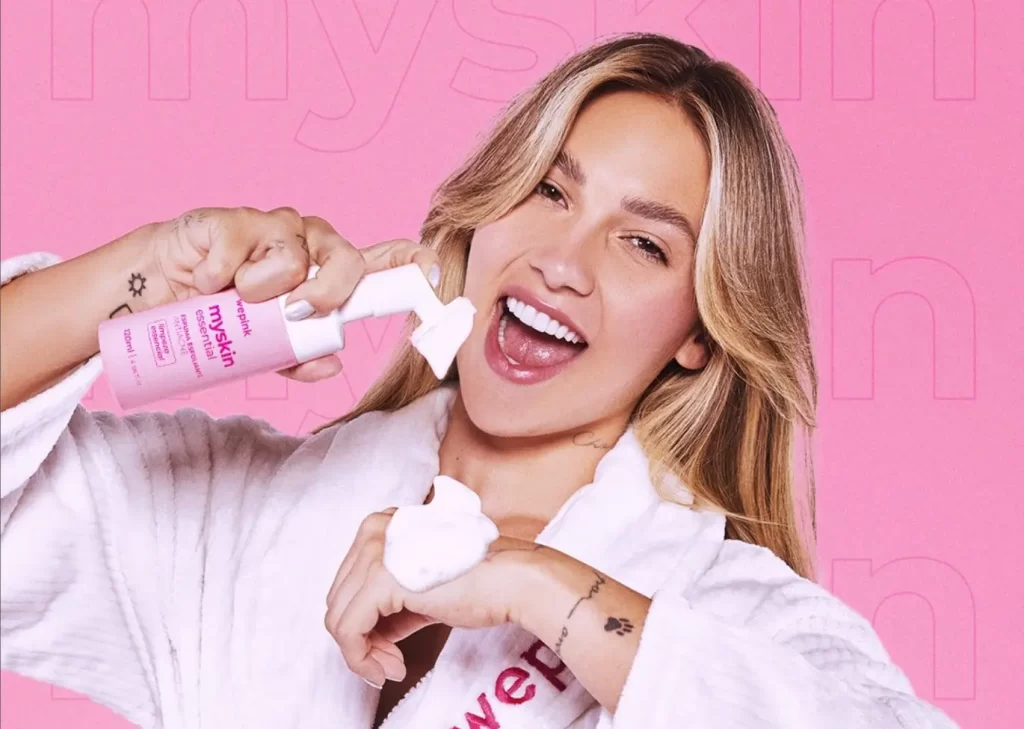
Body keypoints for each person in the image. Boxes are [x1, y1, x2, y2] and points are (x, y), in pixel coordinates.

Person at [0, 33, 959, 729]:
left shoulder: (719, 610)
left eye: (642, 244)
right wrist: (145, 269)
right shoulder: (233, 520)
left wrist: (539, 587)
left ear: (700, 333)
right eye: (549, 189)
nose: (561, 261)